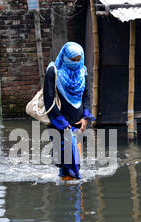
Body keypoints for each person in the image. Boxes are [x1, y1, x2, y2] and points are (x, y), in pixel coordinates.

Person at [43, 42, 95, 181]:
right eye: (72, 60)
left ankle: (76, 196)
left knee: (75, 160)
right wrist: (62, 124)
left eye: (78, 59)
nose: (76, 63)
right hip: (58, 121)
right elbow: (49, 100)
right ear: (64, 57)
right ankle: (66, 195)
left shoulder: (82, 71)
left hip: (78, 121)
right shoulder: (53, 71)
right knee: (63, 161)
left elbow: (86, 96)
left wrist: (85, 117)